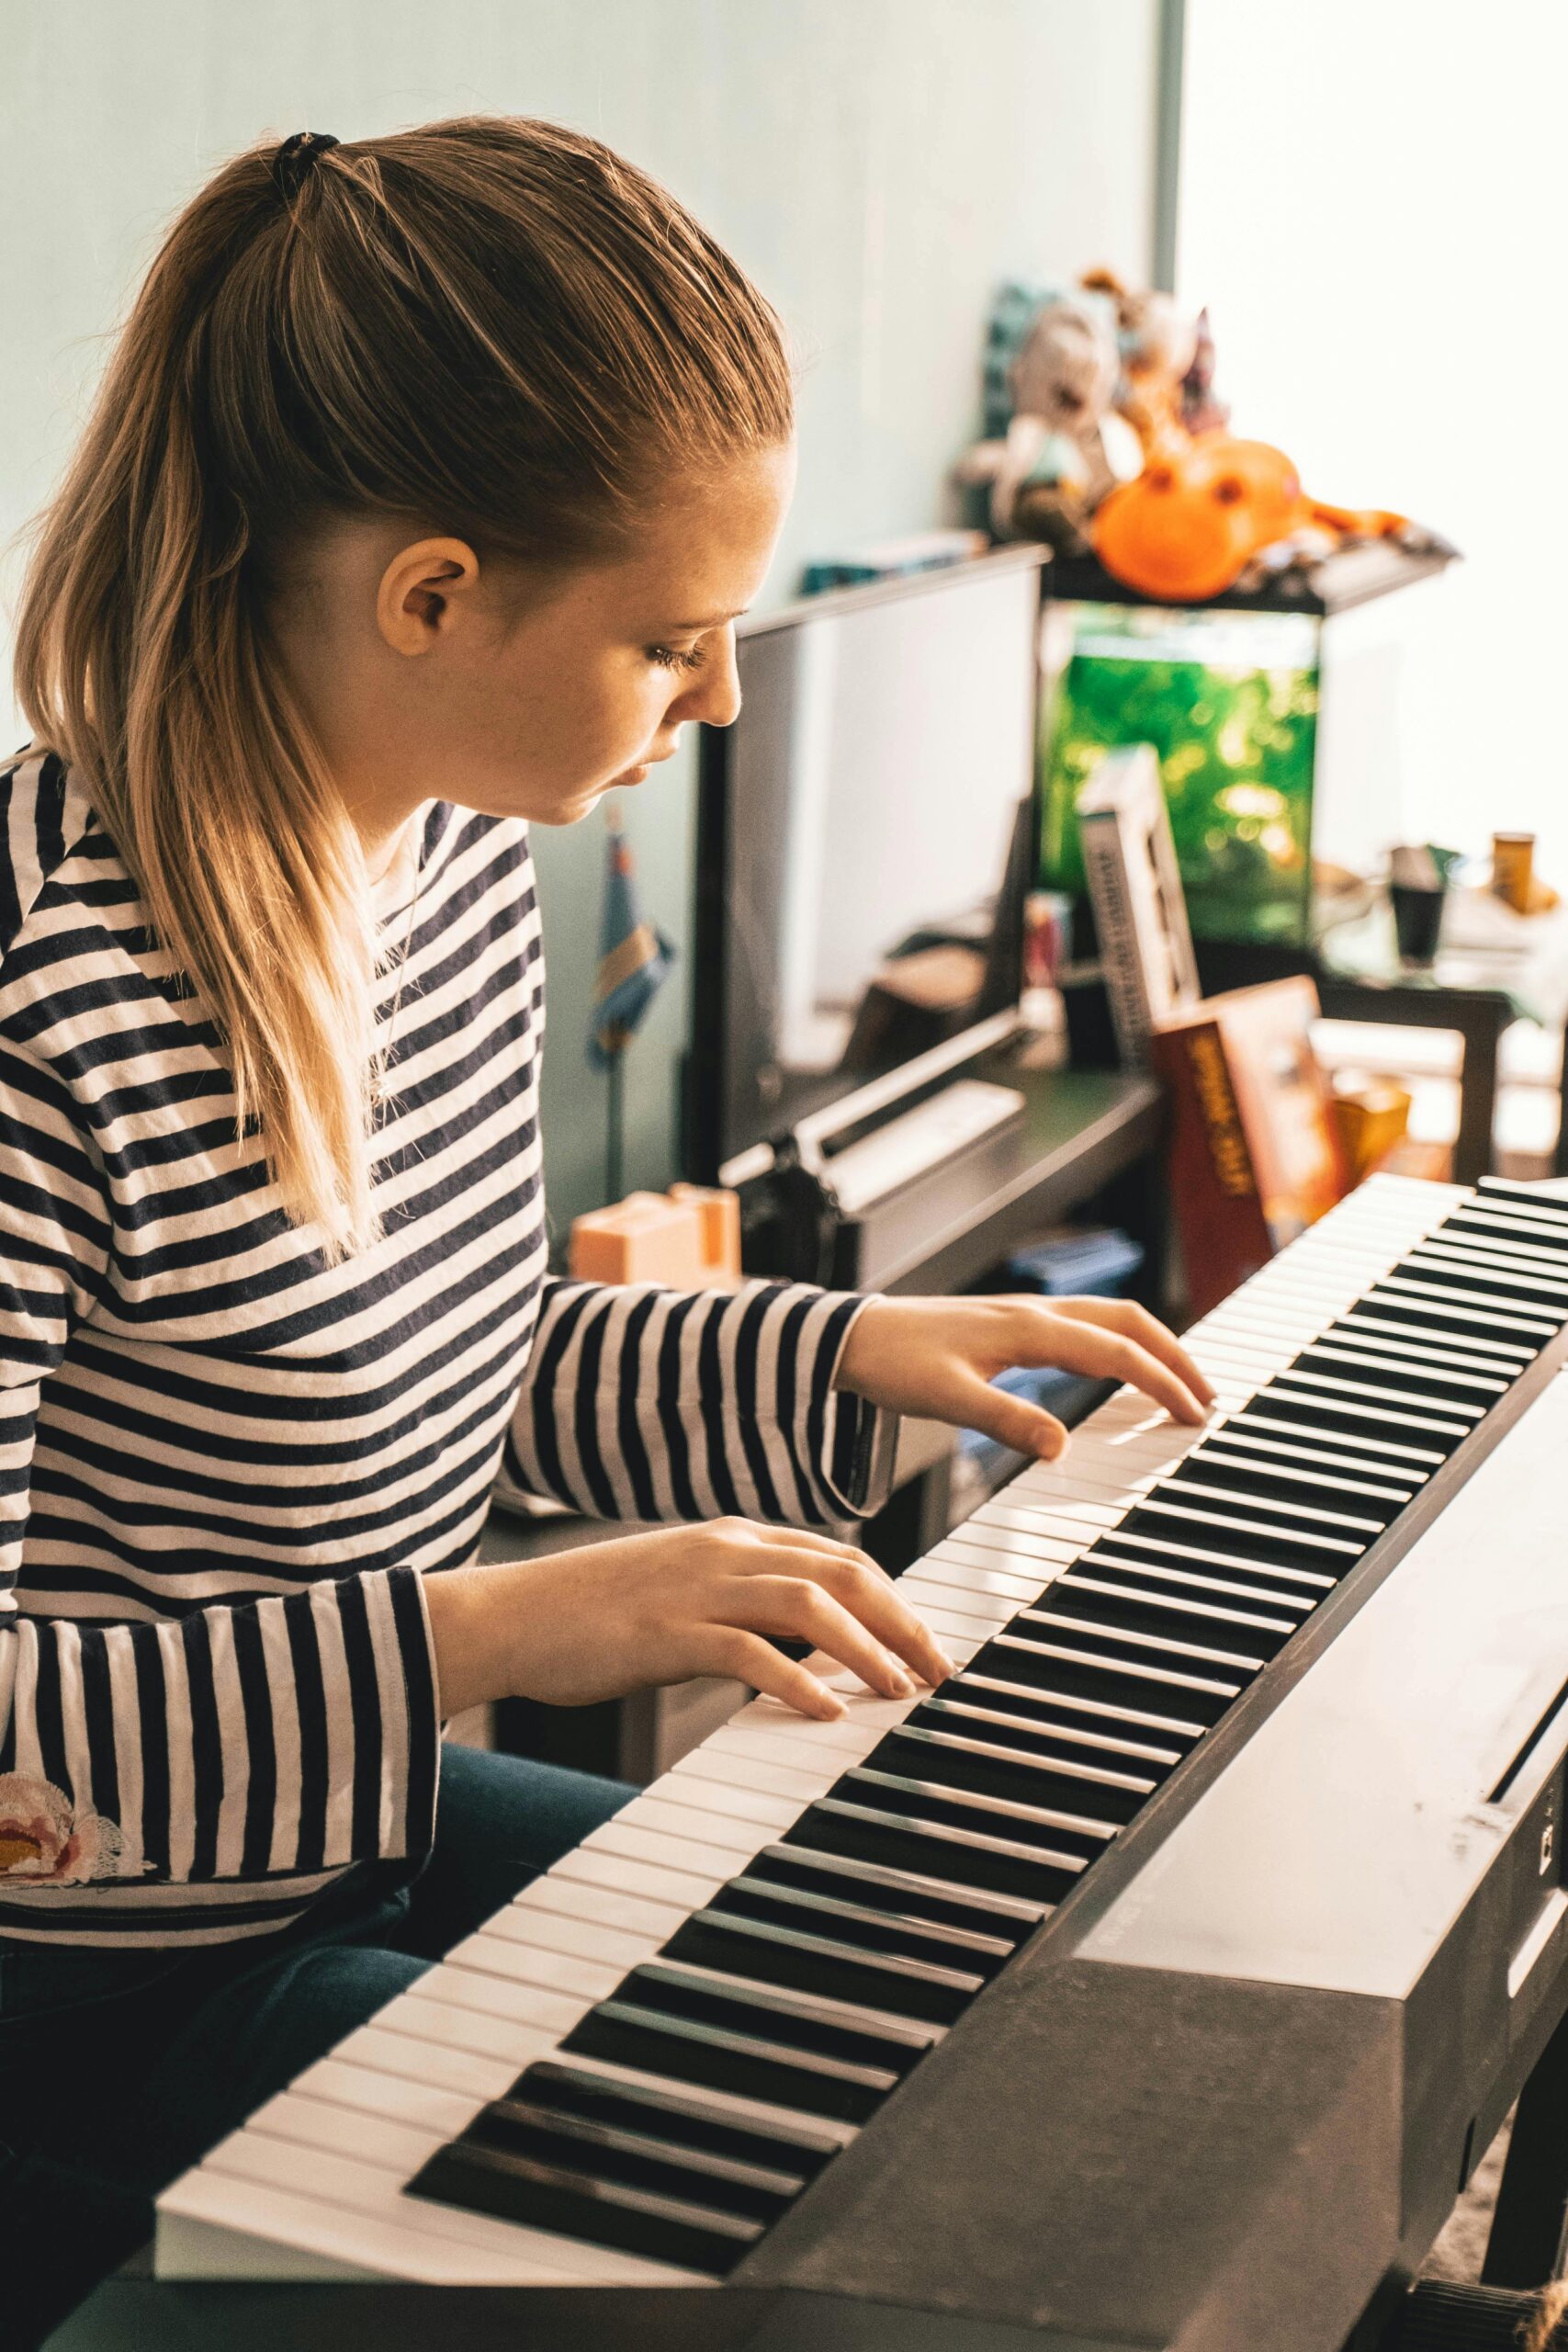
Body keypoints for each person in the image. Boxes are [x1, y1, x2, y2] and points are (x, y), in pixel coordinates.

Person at [0, 116, 1213, 2313]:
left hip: (325, 1845)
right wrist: (497, 1633)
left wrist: (833, 1349)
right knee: (679, 2211)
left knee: (936, 1964)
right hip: (78, 1990)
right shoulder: (42, 998)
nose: (717, 701)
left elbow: (435, 1348)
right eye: (672, 642)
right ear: (435, 596)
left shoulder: (451, 860)